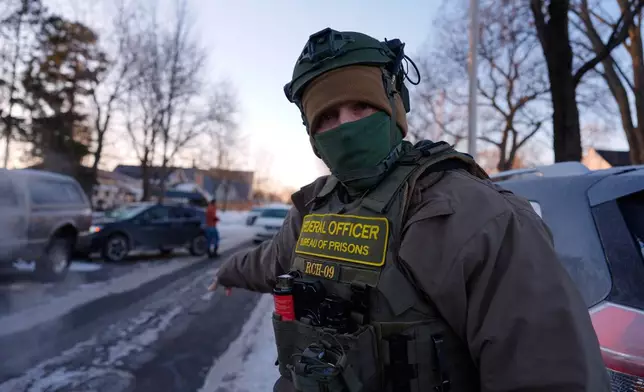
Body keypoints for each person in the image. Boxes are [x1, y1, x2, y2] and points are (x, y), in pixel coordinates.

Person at [209, 28, 610, 392]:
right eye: (327, 117)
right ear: (312, 134)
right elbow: (270, 259)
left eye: (360, 108)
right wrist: (227, 271)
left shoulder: (469, 215)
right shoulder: (315, 206)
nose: (344, 127)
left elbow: (552, 374)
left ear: (394, 107)